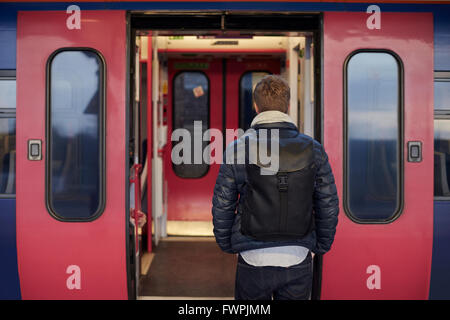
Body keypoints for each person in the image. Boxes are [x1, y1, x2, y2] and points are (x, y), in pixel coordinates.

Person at [211, 75, 339, 300]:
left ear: (255, 106)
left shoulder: (238, 148)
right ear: (288, 106)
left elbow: (222, 203)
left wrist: (228, 244)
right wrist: (321, 245)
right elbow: (327, 202)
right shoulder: (313, 148)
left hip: (252, 257)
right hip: (298, 255)